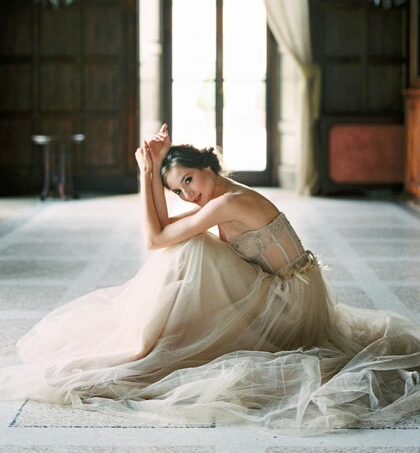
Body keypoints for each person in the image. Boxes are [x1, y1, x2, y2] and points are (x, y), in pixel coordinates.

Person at [0, 124, 419, 434]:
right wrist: (148, 172)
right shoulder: (219, 196)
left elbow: (154, 237)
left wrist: (149, 172)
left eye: (189, 180)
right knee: (187, 247)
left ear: (207, 165)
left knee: (193, 248)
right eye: (178, 190)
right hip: (288, 290)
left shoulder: (229, 202)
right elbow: (160, 231)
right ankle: (153, 338)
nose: (187, 193)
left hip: (290, 306)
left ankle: (150, 343)